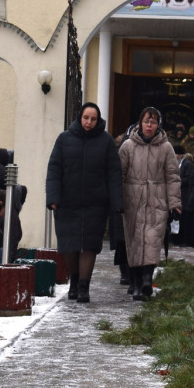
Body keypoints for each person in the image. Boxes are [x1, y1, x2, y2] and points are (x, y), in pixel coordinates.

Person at [46, 102, 123, 304]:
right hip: (67, 202)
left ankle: (84, 286)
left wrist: (117, 202)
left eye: (93, 119)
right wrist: (53, 197)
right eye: (86, 118)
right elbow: (54, 169)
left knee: (89, 246)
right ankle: (74, 280)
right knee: (69, 246)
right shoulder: (64, 139)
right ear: (80, 117)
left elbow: (114, 173)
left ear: (98, 121)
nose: (89, 122)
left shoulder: (106, 142)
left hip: (96, 203)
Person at [120, 106, 181, 300]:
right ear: (140, 123)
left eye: (153, 122)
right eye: (146, 121)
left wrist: (174, 203)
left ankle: (147, 279)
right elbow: (119, 175)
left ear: (158, 125)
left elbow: (172, 176)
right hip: (133, 200)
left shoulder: (166, 147)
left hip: (157, 200)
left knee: (152, 240)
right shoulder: (128, 146)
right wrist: (118, 200)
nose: (149, 125)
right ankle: (136, 283)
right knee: (135, 242)